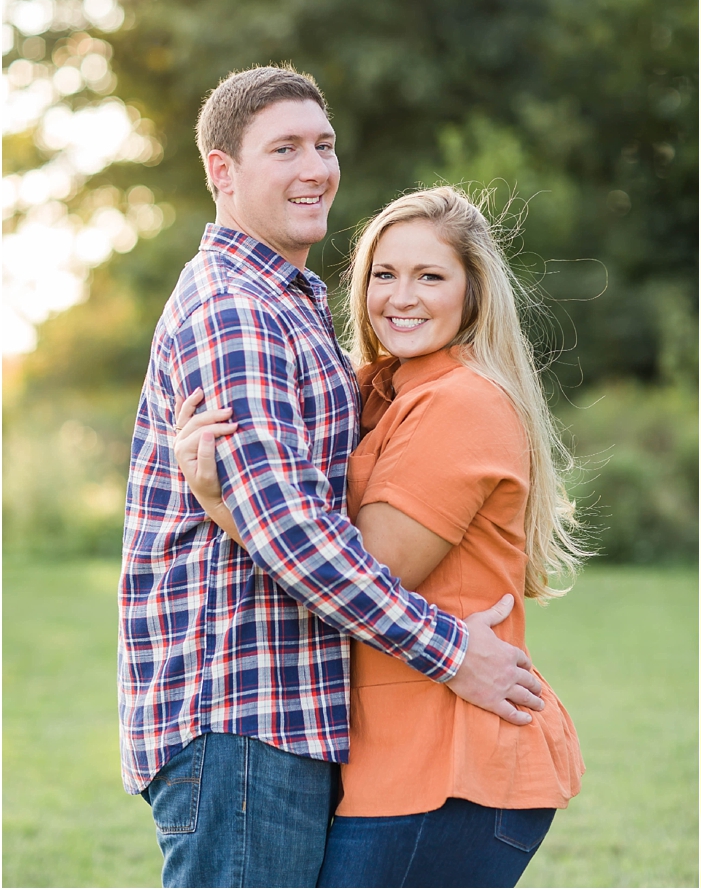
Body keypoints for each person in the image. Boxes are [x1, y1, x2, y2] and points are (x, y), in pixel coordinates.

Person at [120, 66, 546, 888]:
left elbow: (306, 510)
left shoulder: (291, 307)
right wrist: (453, 651)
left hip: (283, 718)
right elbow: (294, 532)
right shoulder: (236, 308)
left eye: (324, 144)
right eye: (285, 148)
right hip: (241, 711)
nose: (315, 167)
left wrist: (223, 502)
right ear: (222, 172)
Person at [174, 186, 586, 887]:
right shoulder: (380, 390)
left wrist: (219, 501)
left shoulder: (461, 404)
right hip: (397, 762)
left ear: (473, 293)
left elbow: (364, 569)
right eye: (383, 275)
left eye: (430, 276)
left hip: (450, 762)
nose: (402, 297)